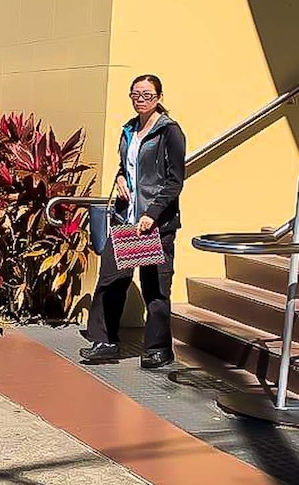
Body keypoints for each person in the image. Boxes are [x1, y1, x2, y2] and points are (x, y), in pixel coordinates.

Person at [79, 74, 186, 369]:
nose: (141, 100)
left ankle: (158, 348)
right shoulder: (129, 130)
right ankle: (104, 341)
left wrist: (152, 214)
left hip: (156, 224)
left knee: (155, 287)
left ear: (159, 97)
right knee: (111, 279)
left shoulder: (169, 132)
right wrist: (119, 178)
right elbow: (125, 167)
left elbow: (175, 181)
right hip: (127, 220)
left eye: (147, 95)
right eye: (136, 94)